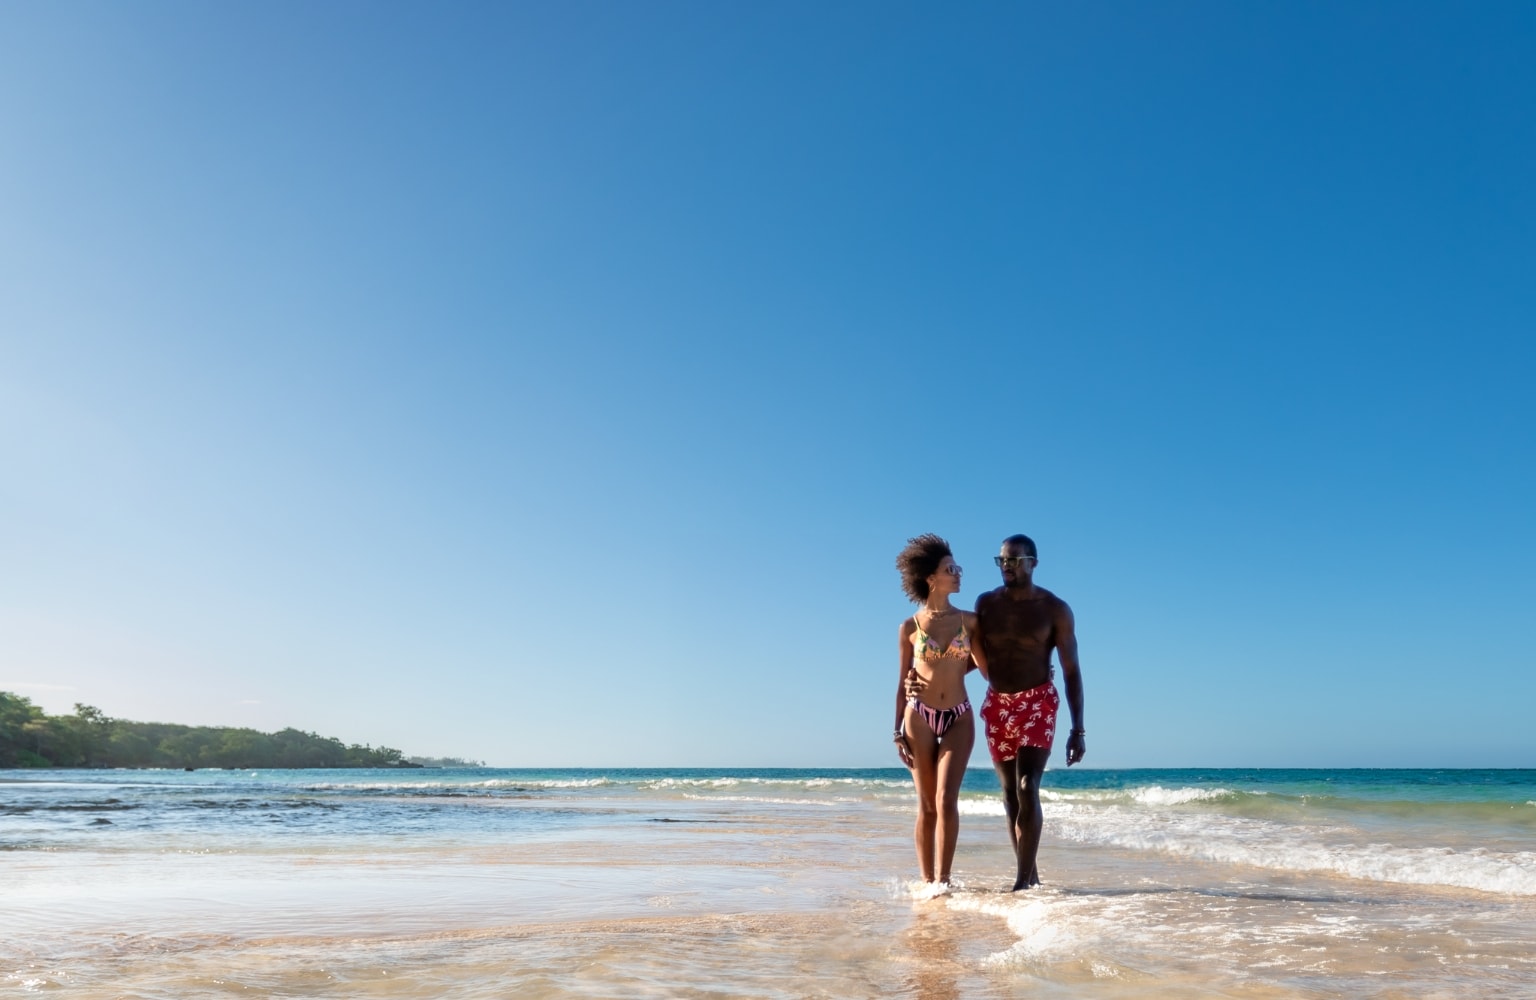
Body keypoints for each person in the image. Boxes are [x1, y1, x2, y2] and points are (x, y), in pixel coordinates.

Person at [973, 533, 1085, 890]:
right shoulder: (986, 603)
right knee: (1009, 795)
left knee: (1027, 785)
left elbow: (1071, 670)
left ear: (1033, 563)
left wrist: (1078, 729)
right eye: (1001, 560)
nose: (1006, 566)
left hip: (1038, 703)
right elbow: (970, 654)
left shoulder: (1055, 609)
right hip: (997, 705)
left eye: (1014, 560)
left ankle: (1021, 883)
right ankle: (1030, 875)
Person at [892, 534, 981, 889]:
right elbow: (902, 682)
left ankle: (943, 884)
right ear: (931, 577)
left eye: (958, 568)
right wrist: (896, 730)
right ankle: (927, 883)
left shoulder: (971, 622)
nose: (958, 573)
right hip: (919, 716)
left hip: (959, 713)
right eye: (951, 569)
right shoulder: (910, 628)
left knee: (947, 800)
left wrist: (1035, 668)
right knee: (927, 805)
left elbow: (985, 667)